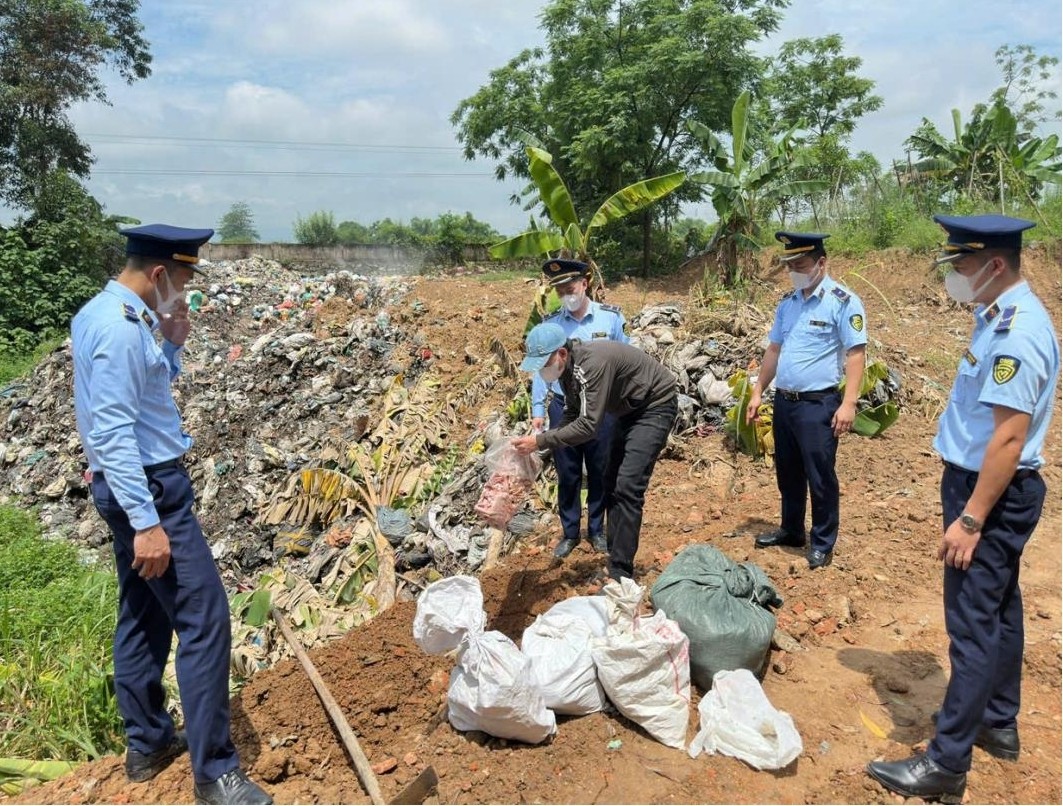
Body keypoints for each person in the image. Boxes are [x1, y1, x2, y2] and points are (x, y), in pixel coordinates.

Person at [72, 225, 272, 806]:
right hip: (148, 489)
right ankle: (216, 774)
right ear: (159, 274)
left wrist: (173, 341)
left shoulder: (108, 315)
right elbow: (112, 430)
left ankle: (149, 743)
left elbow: (148, 396)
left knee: (142, 612)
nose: (183, 292)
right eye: (182, 279)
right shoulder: (117, 327)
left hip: (127, 485)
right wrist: (148, 522)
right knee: (205, 620)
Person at [866, 214, 1058, 803]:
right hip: (995, 490)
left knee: (972, 626)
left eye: (962, 265)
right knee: (1000, 609)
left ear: (995, 265)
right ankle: (998, 722)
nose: (954, 275)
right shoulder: (996, 317)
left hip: (989, 494)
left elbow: (1006, 438)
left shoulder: (1016, 333)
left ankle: (945, 765)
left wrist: (971, 517)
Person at [512, 321, 677, 583]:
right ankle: (615, 554)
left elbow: (589, 426)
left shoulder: (591, 364)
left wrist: (541, 441)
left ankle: (620, 572)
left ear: (561, 354)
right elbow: (572, 412)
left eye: (544, 363)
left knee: (628, 486)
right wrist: (541, 439)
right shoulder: (568, 370)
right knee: (610, 481)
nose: (543, 371)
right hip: (627, 410)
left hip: (654, 405)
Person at [746, 231, 867, 570]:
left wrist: (849, 403)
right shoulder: (789, 303)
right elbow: (774, 349)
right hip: (785, 402)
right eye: (790, 266)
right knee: (788, 471)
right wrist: (758, 391)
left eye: (801, 265)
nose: (794, 271)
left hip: (818, 404)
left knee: (820, 474)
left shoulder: (842, 301)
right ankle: (792, 529)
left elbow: (856, 354)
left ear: (821, 263)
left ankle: (823, 541)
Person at [531, 257, 628, 559]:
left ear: (585, 284)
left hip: (603, 410)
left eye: (570, 287)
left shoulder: (610, 319)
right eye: (559, 291)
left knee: (601, 470)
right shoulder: (550, 325)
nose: (566, 295)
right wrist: (538, 411)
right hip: (564, 408)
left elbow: (626, 359)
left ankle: (597, 529)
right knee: (568, 473)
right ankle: (570, 532)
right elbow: (540, 370)